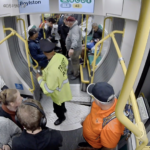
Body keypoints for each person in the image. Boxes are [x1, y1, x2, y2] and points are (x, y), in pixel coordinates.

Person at [36, 39, 72, 125]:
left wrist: (39, 79)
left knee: (57, 107)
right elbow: (66, 66)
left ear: (44, 52)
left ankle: (61, 117)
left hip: (57, 92)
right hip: (64, 87)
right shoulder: (61, 56)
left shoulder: (52, 71)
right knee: (62, 101)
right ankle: (64, 109)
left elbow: (48, 90)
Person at [79, 82, 124, 150]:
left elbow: (107, 148)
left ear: (98, 101)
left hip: (95, 145)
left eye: (94, 97)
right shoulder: (104, 103)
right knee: (86, 143)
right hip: (89, 137)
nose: (93, 99)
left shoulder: (111, 128)